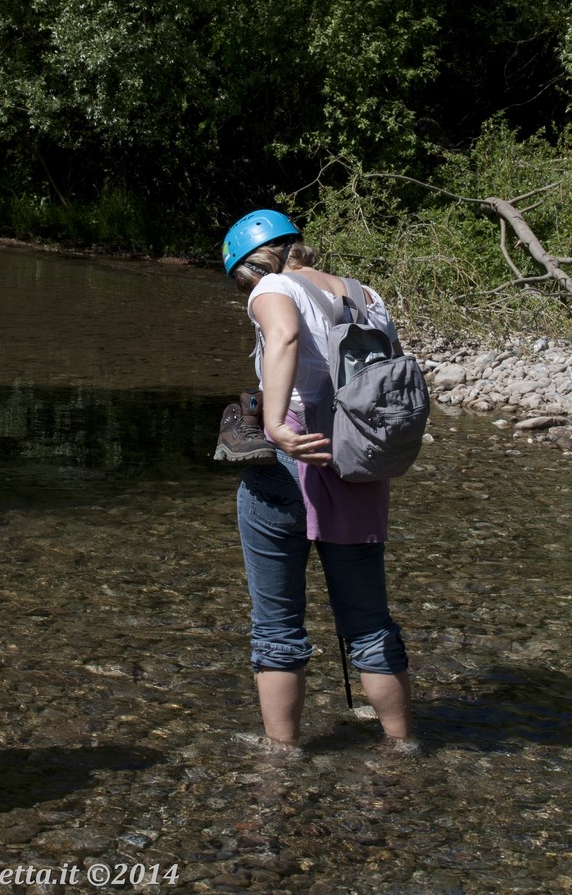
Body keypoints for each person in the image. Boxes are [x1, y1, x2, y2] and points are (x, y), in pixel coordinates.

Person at [221, 209, 413, 748]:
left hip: (293, 463)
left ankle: (282, 756)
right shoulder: (367, 295)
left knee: (277, 624)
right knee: (369, 620)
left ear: (256, 265)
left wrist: (277, 425)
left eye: (244, 280)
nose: (249, 290)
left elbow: (284, 336)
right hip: (358, 464)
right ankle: (404, 747)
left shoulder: (274, 288)